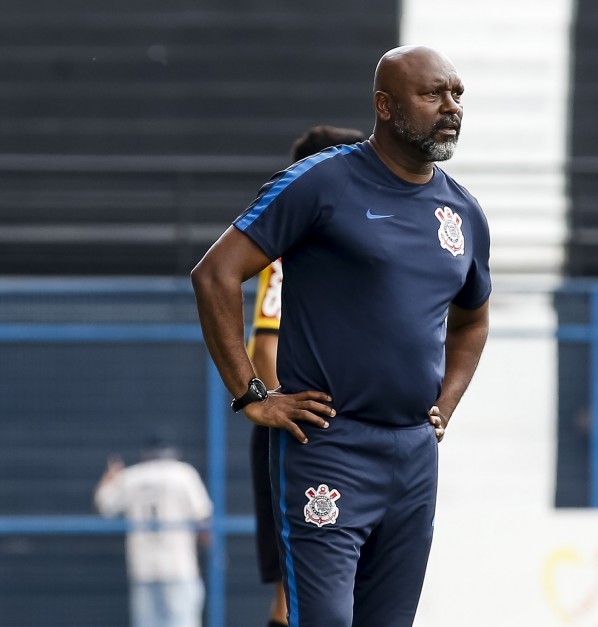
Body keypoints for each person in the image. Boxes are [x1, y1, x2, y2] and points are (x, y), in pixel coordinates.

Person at [191, 45, 491, 627]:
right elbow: (214, 274)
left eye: (456, 94)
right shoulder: (322, 181)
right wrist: (252, 393)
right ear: (385, 105)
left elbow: (473, 319)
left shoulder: (463, 212)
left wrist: (447, 401)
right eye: (433, 94)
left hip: (413, 456)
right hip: (328, 446)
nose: (450, 107)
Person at [247, 124, 366, 627]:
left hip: (339, 432)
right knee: (294, 598)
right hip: (301, 431)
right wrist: (285, 408)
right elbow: (264, 343)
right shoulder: (288, 250)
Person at [94, 437, 213, 627]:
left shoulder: (132, 476)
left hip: (143, 568)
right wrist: (208, 547)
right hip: (178, 567)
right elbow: (203, 517)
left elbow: (104, 503)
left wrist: (110, 477)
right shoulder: (182, 473)